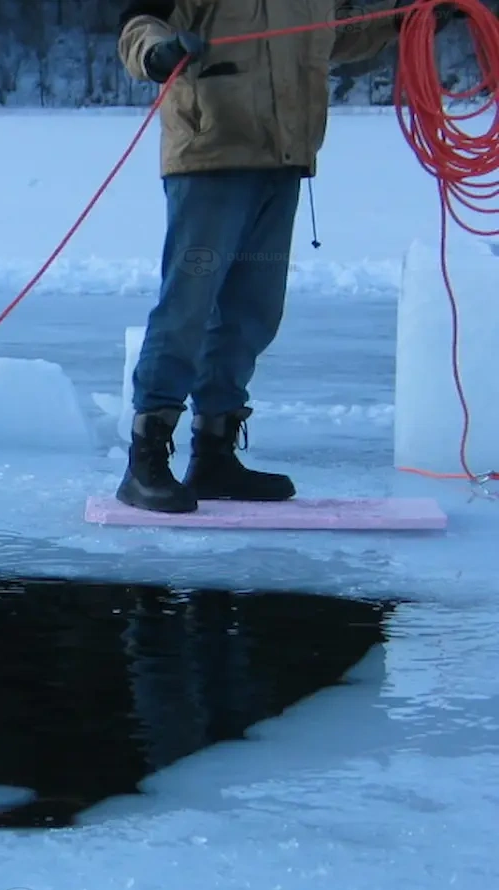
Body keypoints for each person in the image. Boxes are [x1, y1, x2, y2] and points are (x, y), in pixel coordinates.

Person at [114, 0, 455, 513]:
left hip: (283, 159)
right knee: (189, 304)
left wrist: (407, 20)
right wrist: (156, 52)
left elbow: (337, 33)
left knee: (255, 310)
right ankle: (145, 461)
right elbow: (140, 23)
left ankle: (213, 452)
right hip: (210, 155)